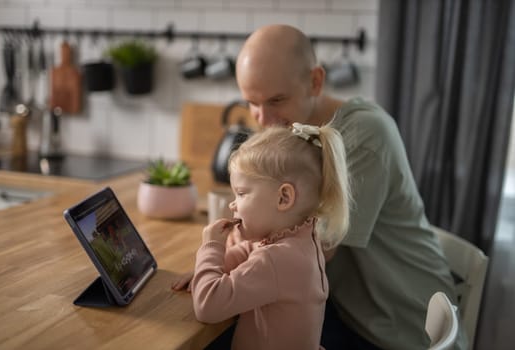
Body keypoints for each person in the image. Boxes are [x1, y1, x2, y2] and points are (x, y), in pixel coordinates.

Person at [173, 24, 467, 349]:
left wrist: (215, 265)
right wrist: (216, 263)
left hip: (397, 328)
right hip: (349, 310)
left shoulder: (365, 134)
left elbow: (317, 245)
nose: (263, 119)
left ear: (315, 81)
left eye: (276, 100)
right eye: (252, 103)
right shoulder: (296, 137)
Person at [189, 123, 351, 350]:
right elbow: (250, 252)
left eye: (242, 193)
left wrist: (211, 249)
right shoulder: (303, 240)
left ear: (284, 198)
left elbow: (207, 307)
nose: (233, 203)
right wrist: (209, 270)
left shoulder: (276, 260)